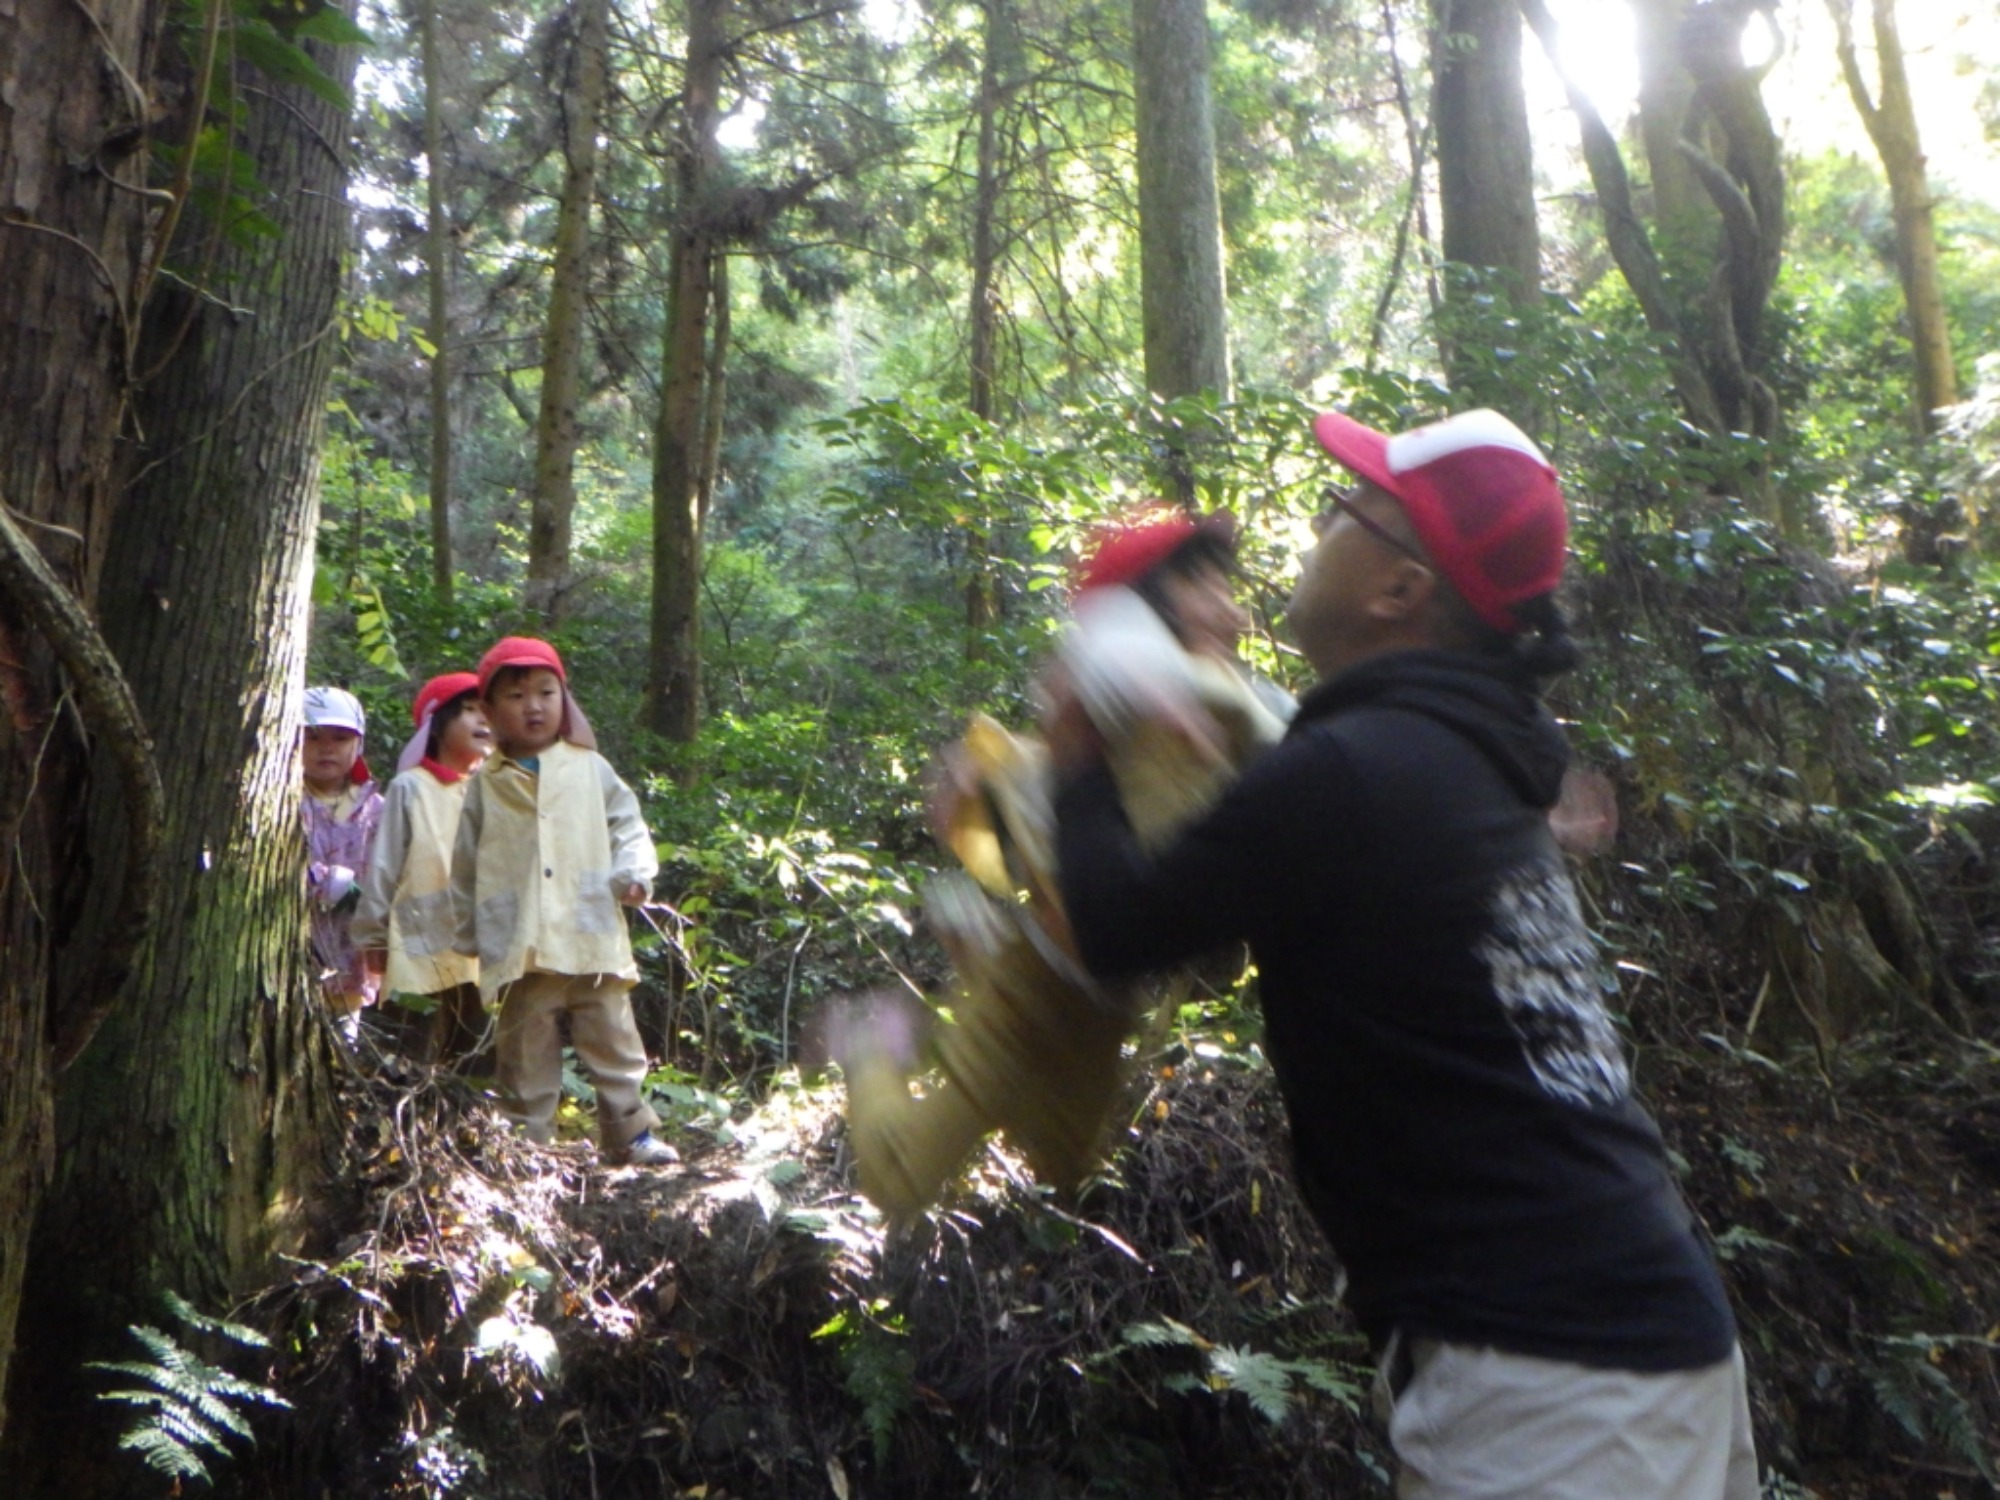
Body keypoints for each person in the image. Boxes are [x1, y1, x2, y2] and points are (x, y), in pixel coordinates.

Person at [1048, 410, 1757, 1499]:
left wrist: (1075, 755)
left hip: (1553, 1390)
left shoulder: (1358, 766)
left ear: (1398, 587)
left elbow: (1116, 930)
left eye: (1345, 510)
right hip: (1634, 1348)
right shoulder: (1448, 751)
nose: (1317, 527)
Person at [842, 513, 1291, 1221]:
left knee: (1066, 1161)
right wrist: (1157, 696)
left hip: (1103, 1005)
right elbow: (1106, 656)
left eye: (1224, 587)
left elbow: (1295, 739)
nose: (1230, 609)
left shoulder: (1228, 694)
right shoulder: (1126, 657)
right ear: (1154, 598)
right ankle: (874, 1043)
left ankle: (975, 952)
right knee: (900, 1183)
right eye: (1203, 585)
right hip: (1033, 990)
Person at [449, 638, 677, 1167]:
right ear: (489, 710)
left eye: (545, 693)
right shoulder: (486, 784)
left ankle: (631, 1135)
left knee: (614, 1043)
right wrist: (466, 930)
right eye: (516, 696)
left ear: (564, 700)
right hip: (522, 942)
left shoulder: (590, 768)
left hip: (590, 932)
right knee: (524, 1055)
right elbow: (465, 862)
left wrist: (635, 873)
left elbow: (628, 825)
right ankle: (527, 1148)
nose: (533, 706)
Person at [353, 671, 493, 1065]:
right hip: (420, 943)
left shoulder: (494, 790)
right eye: (470, 710)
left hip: (481, 950)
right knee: (410, 1053)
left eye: (489, 711)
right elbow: (385, 865)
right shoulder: (412, 787)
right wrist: (373, 933)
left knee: (474, 1057)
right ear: (438, 724)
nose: (484, 720)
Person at [302, 685, 385, 1040]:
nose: (327, 748)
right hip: (298, 942)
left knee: (341, 1044)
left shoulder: (375, 808)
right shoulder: (284, 799)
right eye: (313, 737)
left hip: (352, 952)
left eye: (340, 738)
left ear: (358, 744)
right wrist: (325, 883)